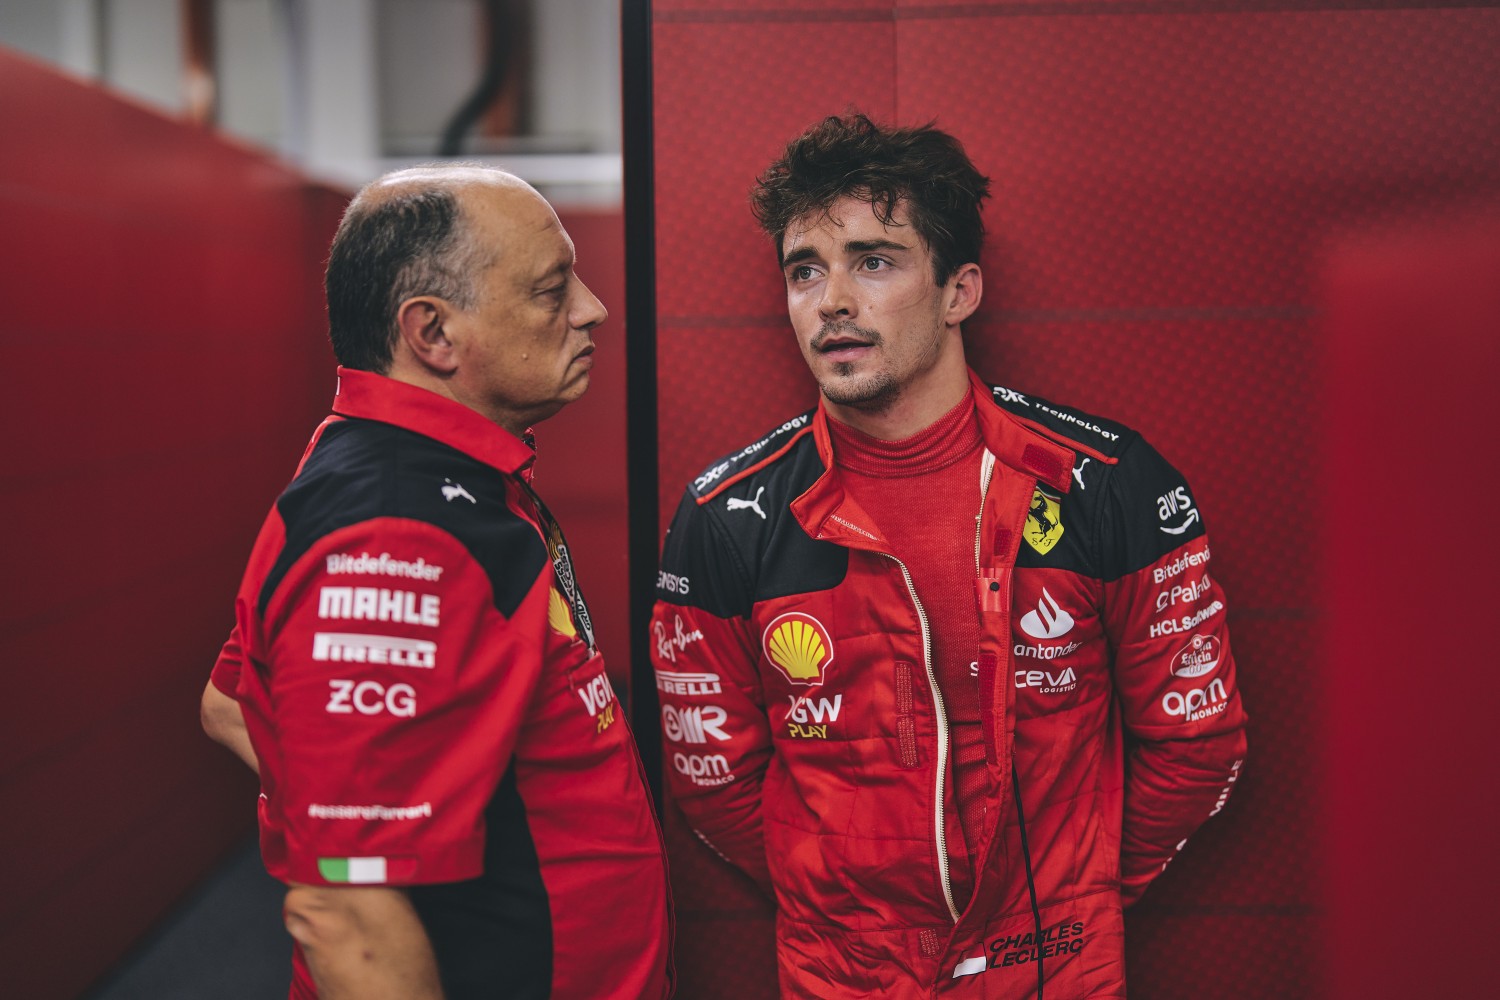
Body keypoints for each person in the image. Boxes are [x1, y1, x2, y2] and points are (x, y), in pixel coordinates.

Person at [650, 114, 1248, 998]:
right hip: (842, 973)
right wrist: (849, 906)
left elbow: (1195, 742)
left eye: (874, 261)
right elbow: (715, 778)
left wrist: (1069, 900)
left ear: (960, 290)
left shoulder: (1108, 484)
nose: (832, 301)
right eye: (805, 270)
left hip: (1058, 967)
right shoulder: (725, 516)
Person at [201, 165, 672, 1000]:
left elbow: (233, 699)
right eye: (550, 289)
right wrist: (352, 833)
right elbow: (346, 906)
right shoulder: (397, 527)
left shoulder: (421, 475)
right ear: (434, 334)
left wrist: (339, 802)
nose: (592, 308)